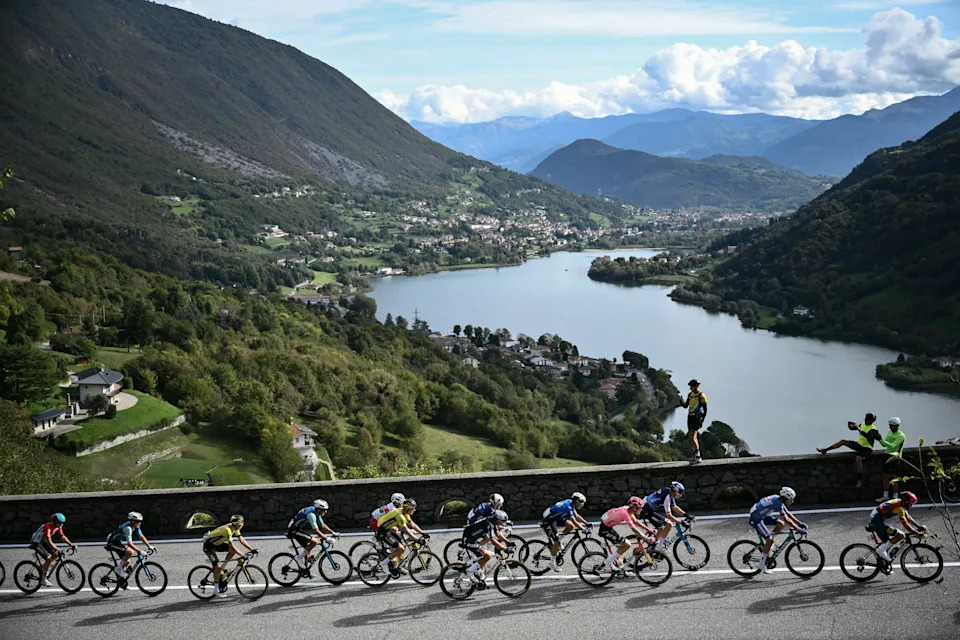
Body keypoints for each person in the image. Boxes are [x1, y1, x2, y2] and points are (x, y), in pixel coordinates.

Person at [748, 487, 805, 575]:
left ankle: (770, 544)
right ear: (785, 498)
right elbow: (786, 519)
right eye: (790, 499)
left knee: (780, 524)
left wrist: (799, 522)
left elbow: (787, 513)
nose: (792, 501)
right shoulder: (777, 502)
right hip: (756, 518)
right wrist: (798, 528)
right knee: (769, 540)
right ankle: (761, 564)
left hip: (761, 515)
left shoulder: (779, 499)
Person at [817, 412, 883, 487]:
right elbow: (852, 428)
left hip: (867, 449)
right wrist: (851, 424)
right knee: (843, 441)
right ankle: (825, 450)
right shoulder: (862, 425)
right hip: (859, 445)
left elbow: (868, 436)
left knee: (858, 459)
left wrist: (858, 429)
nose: (867, 421)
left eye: (869, 420)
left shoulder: (873, 429)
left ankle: (860, 478)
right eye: (867, 419)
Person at [203, 514, 255, 597]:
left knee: (232, 552)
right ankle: (216, 590)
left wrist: (251, 549)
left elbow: (241, 539)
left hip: (217, 544)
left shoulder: (234, 528)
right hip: (209, 547)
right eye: (241, 524)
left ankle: (223, 568)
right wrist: (243, 555)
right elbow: (233, 546)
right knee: (218, 567)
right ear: (236, 525)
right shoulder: (227, 530)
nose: (242, 525)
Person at [599, 496, 657, 569]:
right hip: (605, 530)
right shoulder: (625, 514)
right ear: (634, 508)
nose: (641, 509)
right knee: (627, 544)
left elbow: (635, 521)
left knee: (622, 548)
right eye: (639, 508)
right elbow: (634, 529)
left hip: (607, 526)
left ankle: (618, 565)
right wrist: (646, 538)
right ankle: (607, 563)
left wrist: (648, 529)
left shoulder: (628, 509)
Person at [540, 492, 591, 572]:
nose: (581, 505)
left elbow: (576, 516)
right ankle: (552, 563)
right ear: (576, 502)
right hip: (549, 519)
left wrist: (586, 523)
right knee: (556, 542)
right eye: (581, 503)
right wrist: (584, 529)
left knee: (571, 526)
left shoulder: (570, 502)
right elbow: (574, 520)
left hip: (556, 517)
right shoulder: (568, 507)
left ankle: (559, 540)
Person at [868, 491, 925, 561]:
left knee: (888, 542)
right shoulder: (899, 508)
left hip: (875, 520)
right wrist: (917, 533)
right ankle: (880, 551)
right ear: (906, 501)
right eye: (910, 504)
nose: (911, 506)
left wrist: (918, 526)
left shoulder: (899, 502)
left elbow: (907, 517)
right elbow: (906, 525)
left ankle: (883, 562)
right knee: (901, 535)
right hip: (876, 523)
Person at [376, 498, 425, 577]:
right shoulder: (400, 516)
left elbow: (412, 524)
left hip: (389, 529)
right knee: (401, 548)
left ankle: (397, 565)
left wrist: (422, 533)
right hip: (383, 531)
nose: (414, 510)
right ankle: (383, 564)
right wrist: (417, 539)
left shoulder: (405, 513)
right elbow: (406, 531)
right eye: (412, 509)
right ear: (407, 508)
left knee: (403, 545)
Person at [463, 509, 513, 584]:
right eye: (502, 522)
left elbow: (498, 534)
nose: (502, 524)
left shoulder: (492, 521)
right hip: (469, 541)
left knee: (484, 554)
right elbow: (493, 541)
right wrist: (505, 548)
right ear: (497, 520)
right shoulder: (489, 524)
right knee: (487, 556)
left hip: (473, 539)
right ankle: (469, 571)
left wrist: (508, 542)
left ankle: (479, 573)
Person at [287, 499, 340, 569]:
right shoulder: (311, 515)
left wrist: (333, 532)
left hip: (298, 528)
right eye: (324, 510)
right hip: (293, 530)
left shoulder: (316, 511)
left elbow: (322, 525)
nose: (326, 512)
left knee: (308, 547)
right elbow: (316, 531)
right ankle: (298, 558)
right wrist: (327, 538)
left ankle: (305, 570)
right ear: (319, 510)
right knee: (314, 541)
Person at [30, 513, 76, 588]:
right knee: (49, 559)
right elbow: (49, 542)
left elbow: (62, 537)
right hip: (36, 542)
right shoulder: (47, 527)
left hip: (43, 541)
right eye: (60, 523)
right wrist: (59, 549)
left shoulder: (58, 526)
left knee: (56, 554)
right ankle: (43, 579)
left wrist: (71, 545)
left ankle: (44, 567)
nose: (61, 525)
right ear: (54, 522)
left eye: (62, 523)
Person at [106, 511, 154, 580]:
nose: (139, 523)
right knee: (130, 552)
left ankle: (121, 581)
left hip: (117, 542)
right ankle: (118, 569)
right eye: (138, 521)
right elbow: (130, 544)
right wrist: (140, 551)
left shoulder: (135, 526)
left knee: (127, 561)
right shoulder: (128, 528)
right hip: (112, 542)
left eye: (140, 521)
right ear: (132, 521)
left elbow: (141, 536)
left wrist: (149, 546)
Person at [641, 481, 690, 549]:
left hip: (648, 507)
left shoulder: (669, 493)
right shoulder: (667, 497)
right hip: (647, 510)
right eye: (679, 494)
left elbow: (674, 507)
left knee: (663, 526)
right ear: (675, 492)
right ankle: (657, 548)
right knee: (668, 524)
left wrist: (686, 515)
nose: (680, 496)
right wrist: (681, 522)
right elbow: (669, 516)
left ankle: (657, 546)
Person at [877, 417, 907, 503]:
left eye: (891, 426)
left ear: (896, 426)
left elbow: (893, 446)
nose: (890, 427)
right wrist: (879, 439)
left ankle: (895, 497)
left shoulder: (901, 435)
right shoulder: (890, 433)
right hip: (887, 456)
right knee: (885, 476)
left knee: (894, 478)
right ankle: (885, 496)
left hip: (895, 457)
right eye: (889, 425)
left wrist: (881, 440)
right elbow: (884, 445)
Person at [681, 379, 707, 464]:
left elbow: (705, 409)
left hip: (696, 417)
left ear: (696, 386)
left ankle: (698, 456)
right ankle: (696, 455)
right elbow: (686, 406)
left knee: (692, 437)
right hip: (690, 416)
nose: (690, 388)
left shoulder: (701, 395)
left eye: (691, 386)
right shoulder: (690, 394)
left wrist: (702, 420)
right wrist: (681, 401)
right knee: (691, 437)